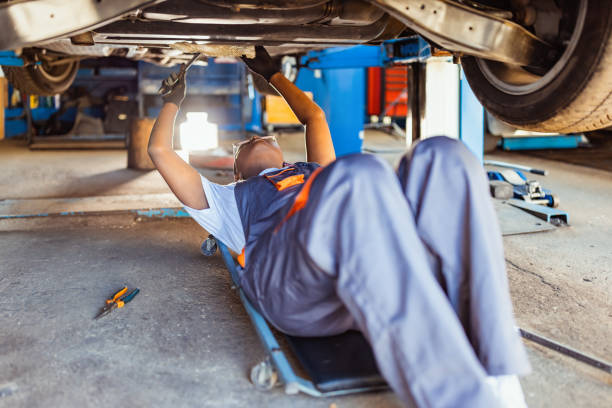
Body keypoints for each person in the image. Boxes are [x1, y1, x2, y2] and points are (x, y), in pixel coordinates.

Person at [148, 46, 531, 407]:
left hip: (363, 265)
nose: (255, 136)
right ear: (236, 170)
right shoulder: (227, 200)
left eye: (260, 135)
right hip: (295, 288)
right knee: (358, 173)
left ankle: (500, 376)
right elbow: (160, 152)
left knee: (444, 156)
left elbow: (314, 117)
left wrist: (274, 76)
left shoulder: (315, 173)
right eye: (245, 143)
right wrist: (173, 101)